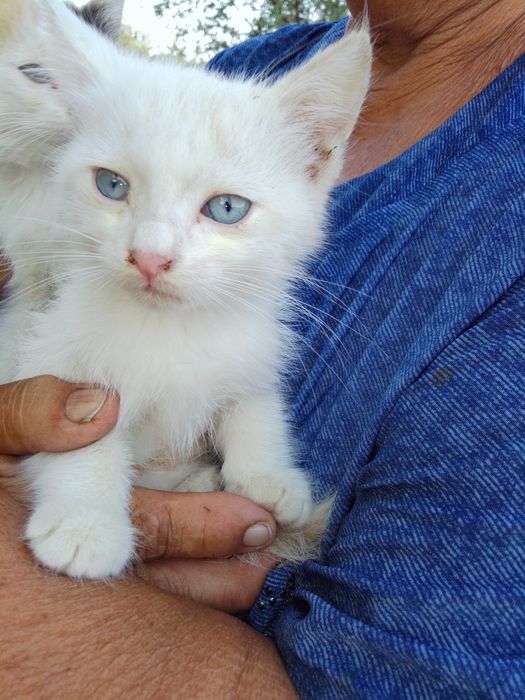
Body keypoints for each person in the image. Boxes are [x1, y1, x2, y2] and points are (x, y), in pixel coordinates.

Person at [1, 0, 524, 696]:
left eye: (223, 209)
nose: (150, 252)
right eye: (112, 186)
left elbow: (244, 392)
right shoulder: (252, 68)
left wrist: (254, 464)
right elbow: (71, 407)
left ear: (317, 159)